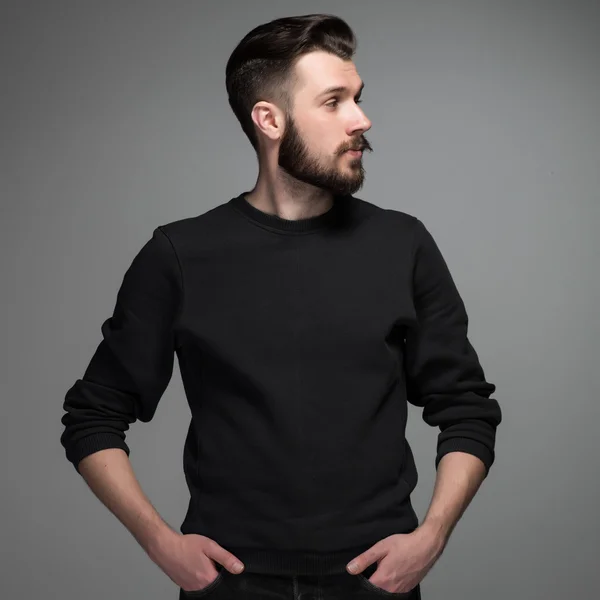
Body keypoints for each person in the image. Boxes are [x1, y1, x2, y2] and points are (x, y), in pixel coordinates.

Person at [60, 13, 502, 600]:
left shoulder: (403, 244)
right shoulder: (180, 254)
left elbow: (466, 407)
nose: (362, 119)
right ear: (269, 120)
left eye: (358, 98)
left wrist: (433, 535)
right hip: (230, 585)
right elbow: (93, 416)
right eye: (334, 102)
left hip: (375, 581)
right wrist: (160, 541)